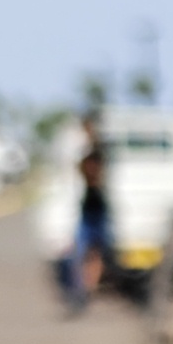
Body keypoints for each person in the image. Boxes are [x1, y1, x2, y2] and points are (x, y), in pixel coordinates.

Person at [61, 109, 114, 313]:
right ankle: (81, 291)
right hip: (86, 211)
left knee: (96, 253)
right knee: (80, 252)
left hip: (98, 211)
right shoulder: (80, 150)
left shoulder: (100, 150)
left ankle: (86, 290)